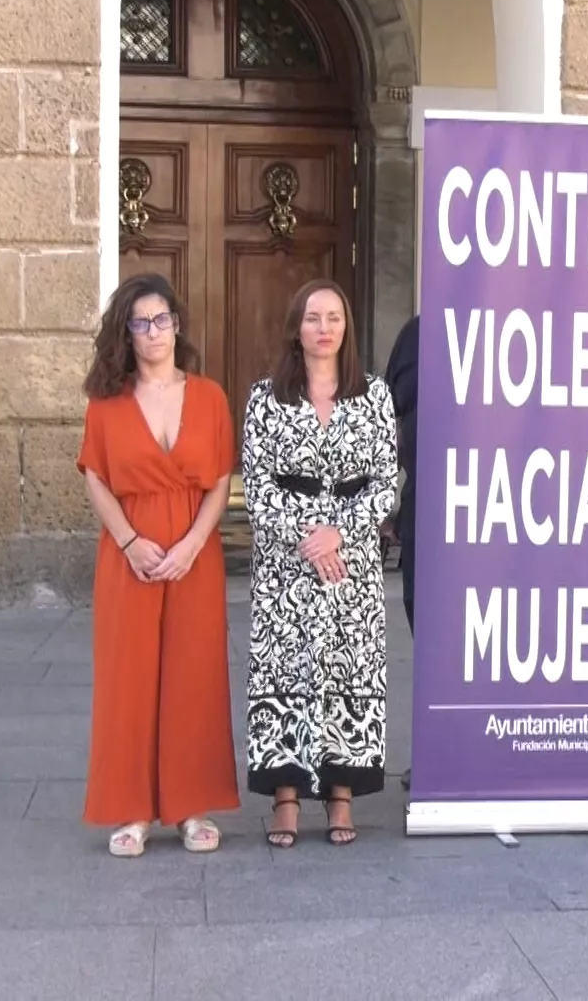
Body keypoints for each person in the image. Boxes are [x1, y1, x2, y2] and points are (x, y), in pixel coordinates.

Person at [75, 272, 242, 858]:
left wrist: (195, 543)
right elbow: (95, 476)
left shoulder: (211, 396)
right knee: (130, 676)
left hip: (194, 556)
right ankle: (132, 809)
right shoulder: (107, 400)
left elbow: (221, 480)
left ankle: (191, 806)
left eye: (163, 319)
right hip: (131, 557)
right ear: (127, 331)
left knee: (194, 674)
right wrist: (127, 541)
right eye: (142, 322)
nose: (154, 331)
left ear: (177, 324)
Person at [241, 279, 399, 847]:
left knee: (346, 670)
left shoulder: (374, 395)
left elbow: (386, 483)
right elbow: (256, 484)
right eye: (313, 317)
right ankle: (285, 798)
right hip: (287, 564)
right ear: (296, 327)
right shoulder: (265, 398)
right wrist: (309, 536)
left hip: (350, 564)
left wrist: (340, 532)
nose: (324, 327)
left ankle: (340, 793)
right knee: (285, 671)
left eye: (334, 317)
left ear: (346, 327)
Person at [383, 312, 421, 793]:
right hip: (426, 508)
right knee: (431, 632)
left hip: (504, 514)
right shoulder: (416, 334)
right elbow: (391, 424)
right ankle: (440, 749)